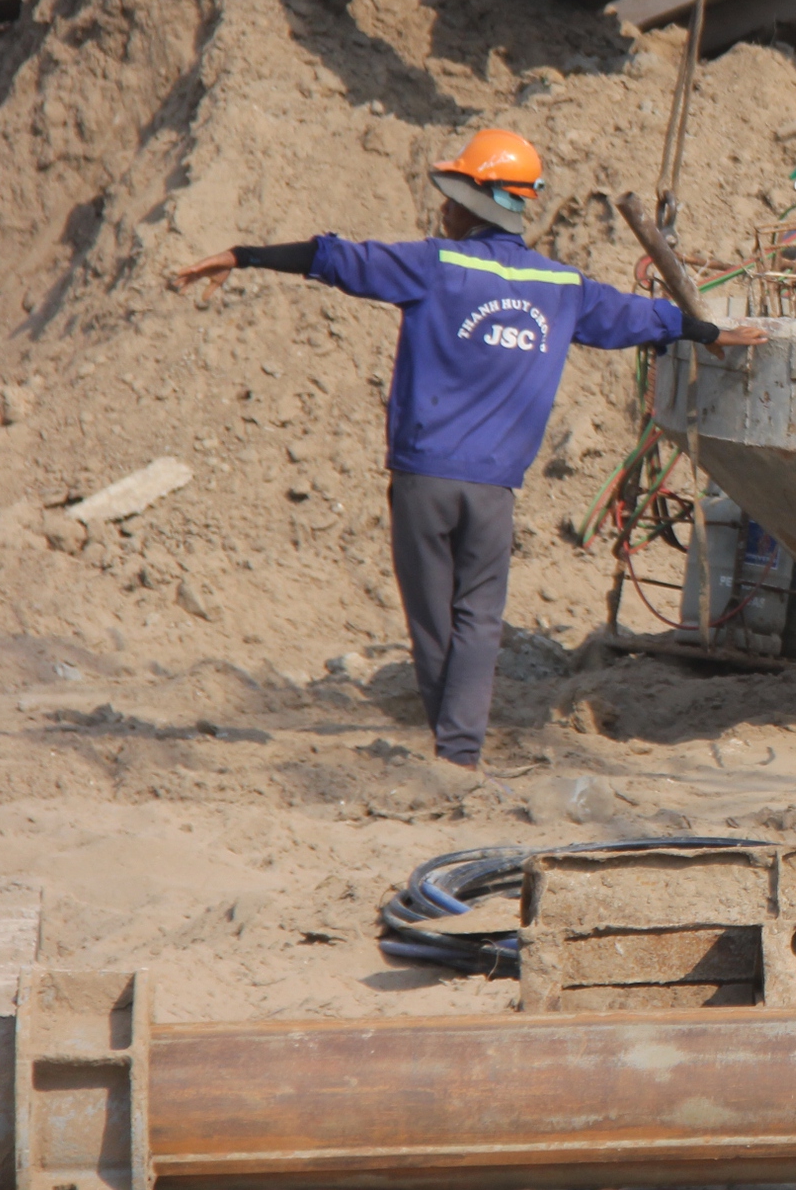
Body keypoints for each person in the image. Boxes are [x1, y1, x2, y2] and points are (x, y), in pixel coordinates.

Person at [173, 128, 765, 769]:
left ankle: (448, 751)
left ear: (477, 202)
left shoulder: (433, 265)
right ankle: (461, 754)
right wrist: (710, 331)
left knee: (431, 623)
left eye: (452, 199)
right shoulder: (563, 289)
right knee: (478, 620)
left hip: (424, 479)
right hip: (494, 489)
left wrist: (244, 256)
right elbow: (642, 317)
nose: (443, 211)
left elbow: (334, 258)